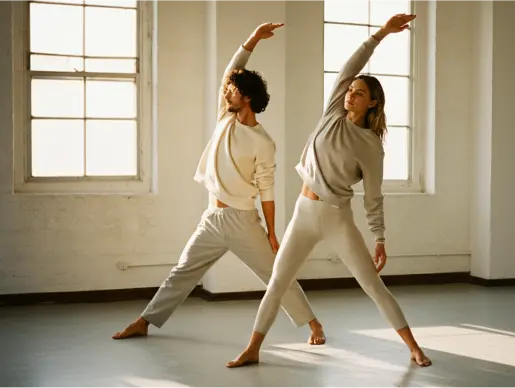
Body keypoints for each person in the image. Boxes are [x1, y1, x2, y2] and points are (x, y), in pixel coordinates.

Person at [227, 14, 431, 368]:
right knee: (277, 282)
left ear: (373, 103)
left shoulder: (370, 145)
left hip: (336, 217)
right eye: (350, 90)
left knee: (372, 287)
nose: (351, 95)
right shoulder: (333, 112)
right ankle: (253, 348)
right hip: (304, 213)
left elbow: (373, 196)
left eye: (359, 93)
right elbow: (351, 66)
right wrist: (381, 33)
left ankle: (413, 347)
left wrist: (379, 238)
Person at [112, 23, 326, 346]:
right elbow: (233, 69)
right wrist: (253, 39)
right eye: (227, 89)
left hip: (243, 221)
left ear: (248, 97)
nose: (226, 92)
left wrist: (271, 233)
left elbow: (267, 190)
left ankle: (313, 324)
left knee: (276, 275)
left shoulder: (263, 142)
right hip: (212, 219)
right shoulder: (224, 118)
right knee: (182, 272)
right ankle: (145, 321)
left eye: (233, 90)